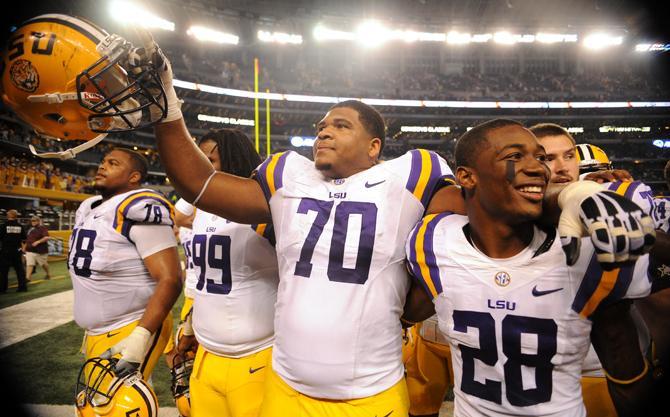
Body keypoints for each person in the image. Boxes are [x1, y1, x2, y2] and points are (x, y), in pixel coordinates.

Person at [406, 119, 654, 417]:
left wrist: (576, 195)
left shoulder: (590, 247)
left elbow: (624, 364)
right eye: (515, 157)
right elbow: (455, 200)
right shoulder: (436, 240)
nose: (543, 168)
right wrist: (566, 195)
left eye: (541, 158)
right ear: (467, 177)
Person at [174, 129, 279, 417]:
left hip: (257, 353)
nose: (203, 168)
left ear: (234, 159)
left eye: (212, 160)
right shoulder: (205, 209)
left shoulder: (267, 209)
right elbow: (201, 276)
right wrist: (190, 324)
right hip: (208, 353)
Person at [69, 147, 182, 380]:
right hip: (98, 331)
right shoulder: (89, 208)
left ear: (134, 177)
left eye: (113, 163)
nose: (102, 166)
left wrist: (140, 335)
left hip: (131, 325)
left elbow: (170, 278)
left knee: (117, 407)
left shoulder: (137, 206)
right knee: (95, 408)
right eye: (103, 161)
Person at [0, 209, 27, 292]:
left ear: (8, 216)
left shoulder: (4, 225)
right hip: (17, 251)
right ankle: (22, 287)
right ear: (16, 216)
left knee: (3, 271)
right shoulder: (20, 226)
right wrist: (22, 250)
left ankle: (2, 289)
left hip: (6, 251)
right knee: (20, 270)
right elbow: (24, 240)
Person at [24, 215, 52, 282]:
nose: (32, 222)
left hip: (40, 250)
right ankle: (27, 278)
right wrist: (24, 247)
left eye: (34, 220)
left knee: (43, 264)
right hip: (30, 249)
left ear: (38, 221)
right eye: (32, 221)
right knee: (29, 264)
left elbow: (47, 237)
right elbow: (27, 239)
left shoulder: (42, 228)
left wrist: (38, 242)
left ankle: (48, 274)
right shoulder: (30, 228)